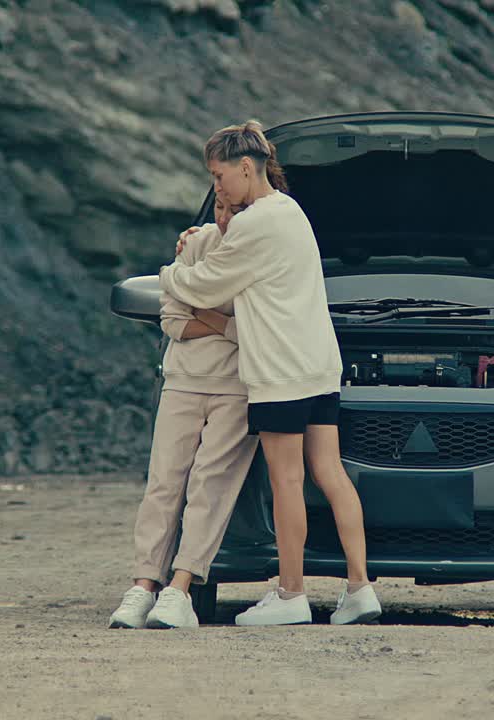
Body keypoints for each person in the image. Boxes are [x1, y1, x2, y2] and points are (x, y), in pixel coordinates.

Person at [158, 121, 381, 626]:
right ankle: (360, 588)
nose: (216, 187)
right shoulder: (289, 211)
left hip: (279, 372)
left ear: (245, 167)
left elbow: (204, 284)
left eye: (218, 175)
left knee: (287, 480)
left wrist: (171, 272)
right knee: (331, 473)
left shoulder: (258, 222)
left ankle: (290, 594)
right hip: (319, 365)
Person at [108, 196, 259, 630]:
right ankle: (143, 586)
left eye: (236, 212)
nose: (225, 219)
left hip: (237, 387)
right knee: (164, 484)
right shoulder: (197, 245)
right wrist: (230, 326)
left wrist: (207, 313)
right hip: (182, 381)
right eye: (221, 210)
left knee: (210, 486)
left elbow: (261, 327)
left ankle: (180, 589)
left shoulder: (260, 250)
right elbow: (173, 319)